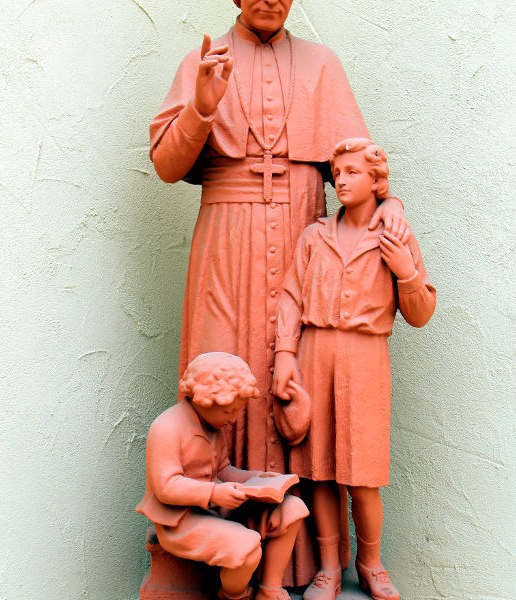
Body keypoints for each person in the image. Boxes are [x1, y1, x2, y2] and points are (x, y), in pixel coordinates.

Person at [150, 0, 411, 584]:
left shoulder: (322, 64)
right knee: (220, 374)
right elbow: (167, 165)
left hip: (301, 229)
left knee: (296, 378)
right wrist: (202, 106)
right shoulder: (204, 61)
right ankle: (214, 560)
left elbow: (363, 166)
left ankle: (307, 564)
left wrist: (390, 203)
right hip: (226, 239)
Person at [272, 138, 436, 599]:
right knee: (320, 469)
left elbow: (421, 313)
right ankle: (328, 566)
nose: (341, 181)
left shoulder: (394, 234)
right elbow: (292, 296)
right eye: (337, 173)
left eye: (353, 173)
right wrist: (285, 353)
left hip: (365, 359)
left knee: (363, 474)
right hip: (315, 353)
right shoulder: (315, 235)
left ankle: (371, 563)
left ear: (376, 180)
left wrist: (405, 271)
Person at [137, 352, 309, 600]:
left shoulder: (213, 426)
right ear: (206, 400)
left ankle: (269, 591)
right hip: (179, 521)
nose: (233, 419)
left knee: (293, 509)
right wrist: (215, 493)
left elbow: (224, 471)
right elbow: (166, 487)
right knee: (246, 548)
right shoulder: (166, 428)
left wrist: (257, 478)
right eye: (229, 412)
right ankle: (233, 596)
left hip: (216, 508)